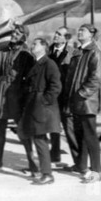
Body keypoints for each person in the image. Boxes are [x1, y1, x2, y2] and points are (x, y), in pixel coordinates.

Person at [0, 24, 35, 171]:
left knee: (22, 129)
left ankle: (32, 162)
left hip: (17, 95)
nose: (15, 34)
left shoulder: (26, 55)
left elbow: (31, 78)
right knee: (0, 128)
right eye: (14, 32)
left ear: (24, 37)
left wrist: (25, 97)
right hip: (2, 92)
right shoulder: (4, 50)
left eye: (19, 33)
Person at [63, 24, 101, 183]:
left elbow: (97, 78)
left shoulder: (95, 52)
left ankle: (97, 171)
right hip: (78, 102)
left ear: (91, 35)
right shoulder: (78, 52)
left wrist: (80, 94)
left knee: (91, 137)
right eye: (79, 29)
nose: (79, 32)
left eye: (83, 30)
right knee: (80, 136)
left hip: (87, 102)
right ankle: (82, 167)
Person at [19, 38, 62, 185]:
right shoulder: (36, 63)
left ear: (43, 47)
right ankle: (42, 171)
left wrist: (43, 101)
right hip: (34, 105)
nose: (32, 45)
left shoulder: (49, 64)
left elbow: (56, 86)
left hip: (41, 107)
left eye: (35, 43)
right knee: (36, 139)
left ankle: (47, 174)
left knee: (40, 140)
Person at [48, 27, 79, 166]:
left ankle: (79, 162)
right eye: (56, 32)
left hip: (66, 98)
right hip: (52, 97)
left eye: (59, 34)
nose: (56, 35)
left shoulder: (73, 53)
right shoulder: (48, 51)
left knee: (69, 129)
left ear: (66, 38)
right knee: (53, 128)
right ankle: (54, 155)